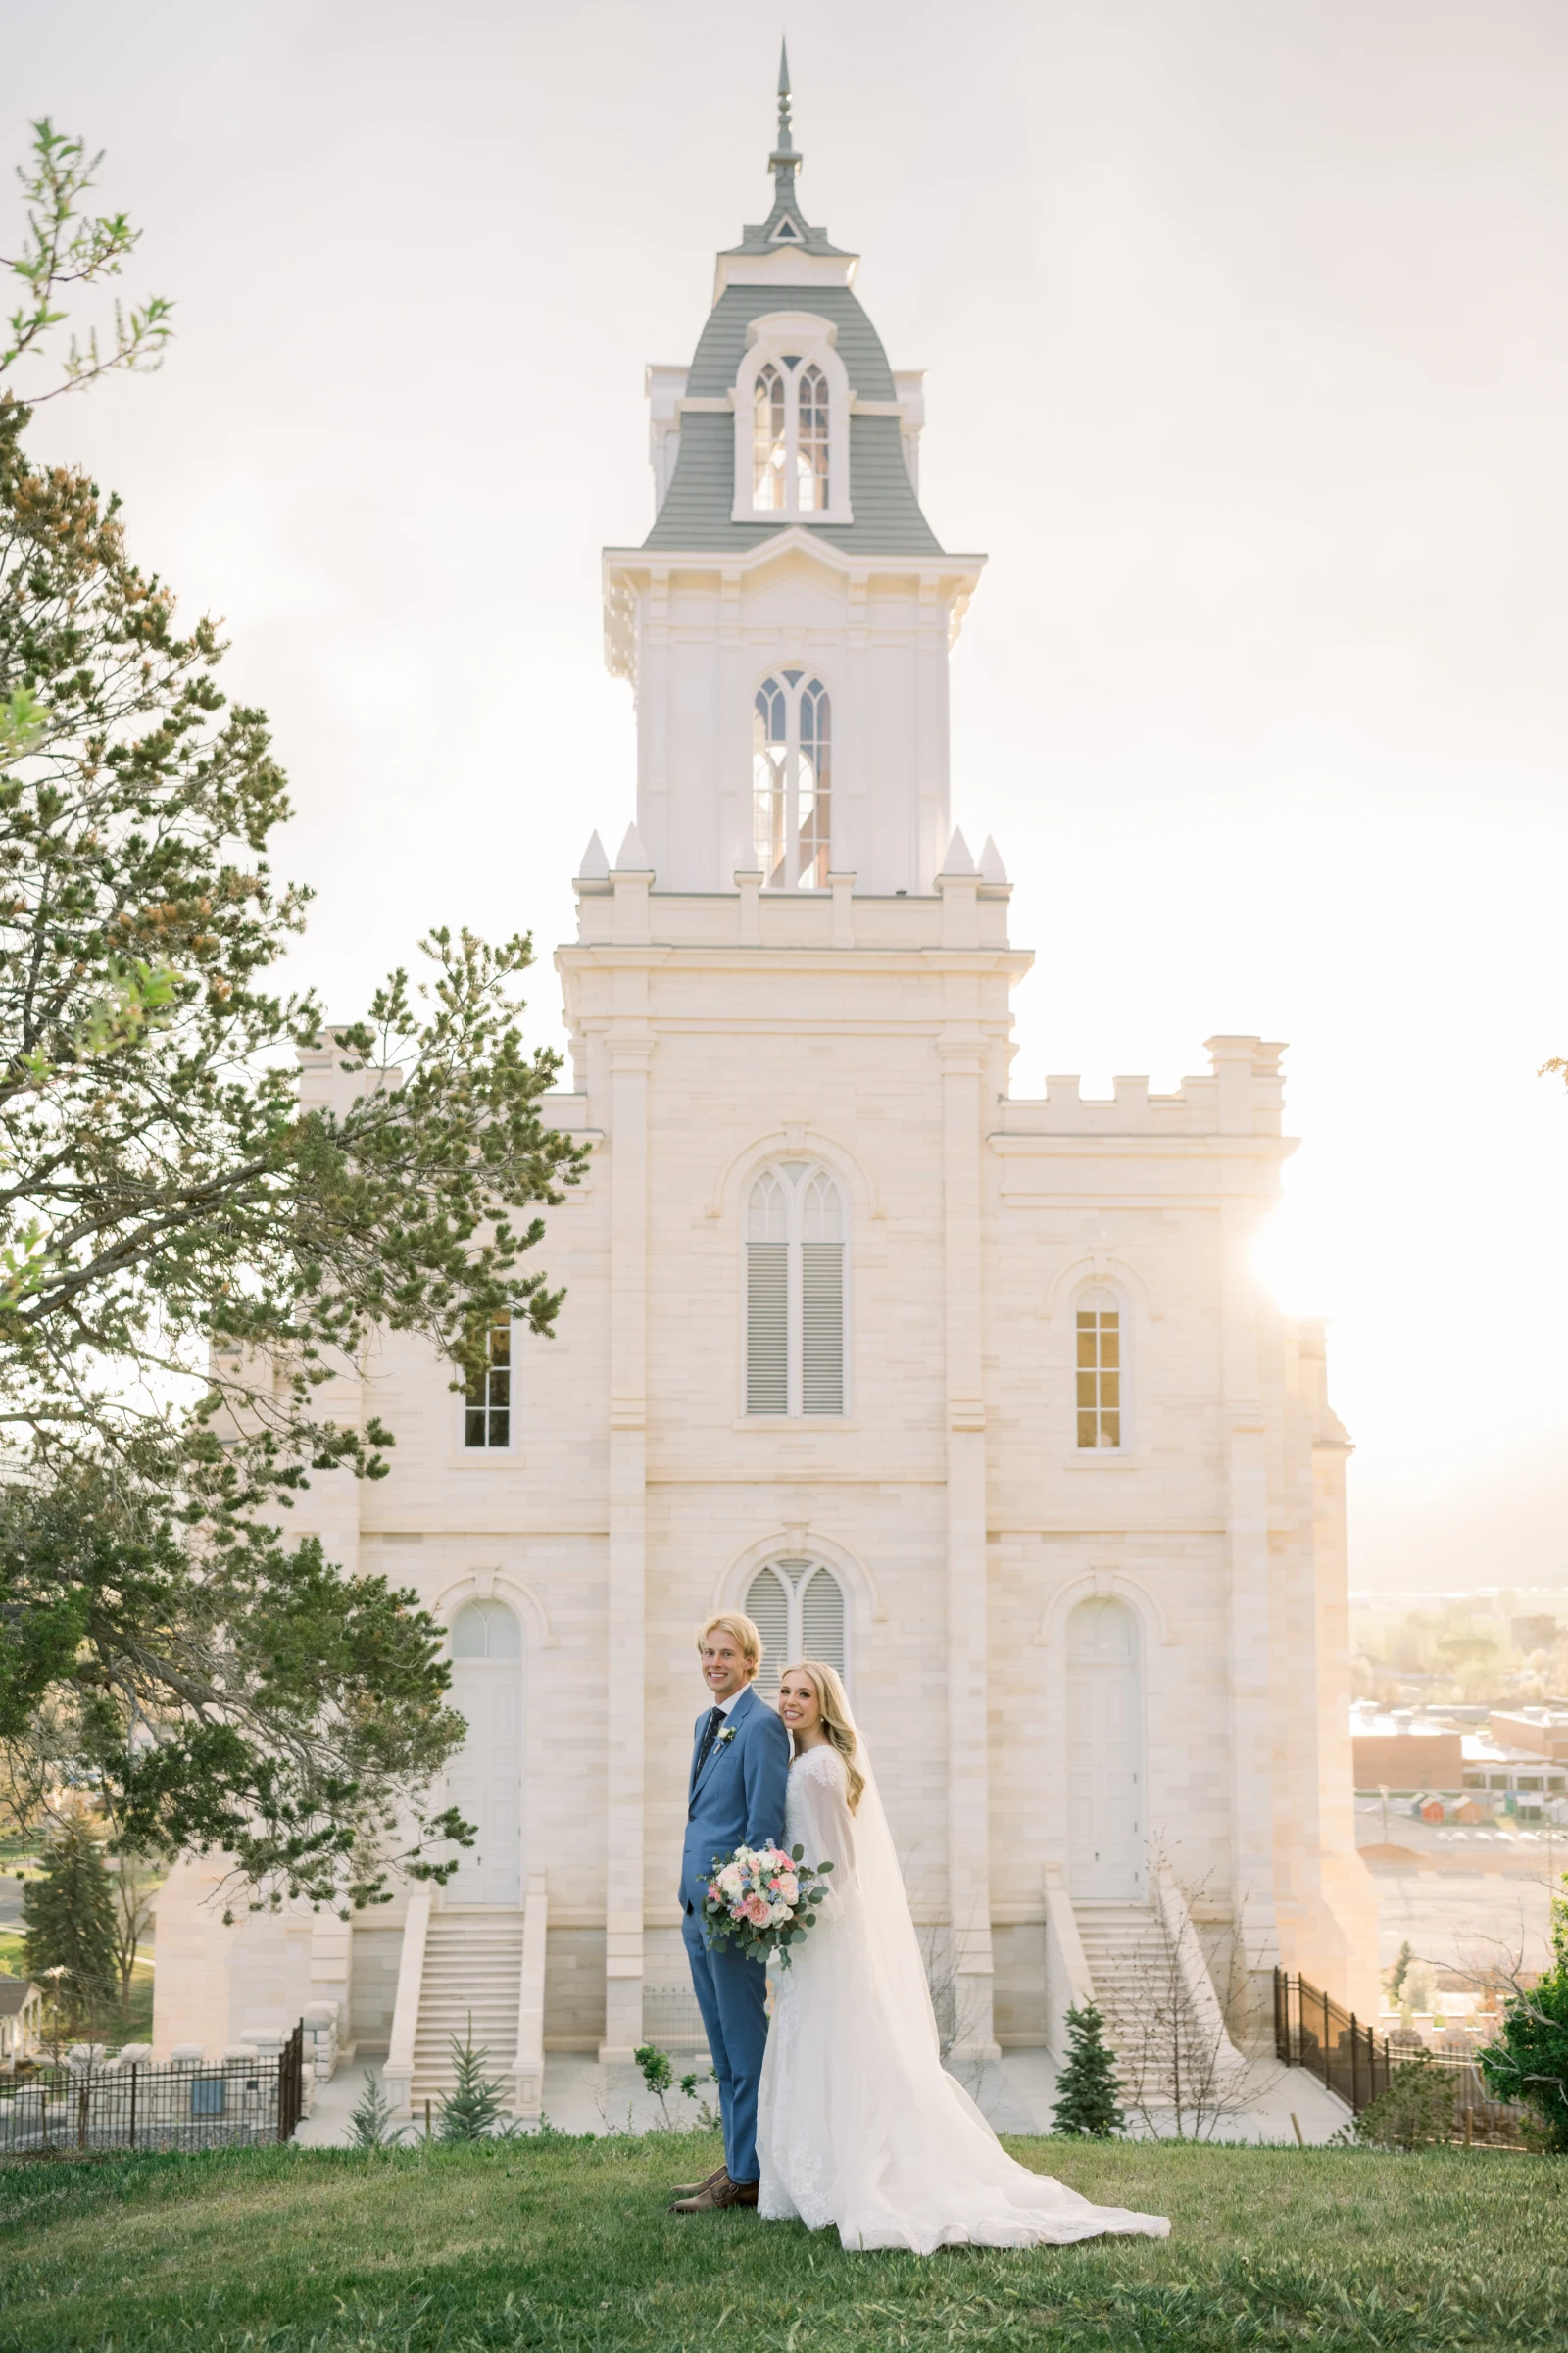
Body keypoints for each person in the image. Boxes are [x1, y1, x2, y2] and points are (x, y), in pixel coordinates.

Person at [756, 1659, 1170, 2253]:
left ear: (825, 1705)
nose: (790, 1702)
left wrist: (799, 1910)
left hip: (827, 1928)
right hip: (812, 1927)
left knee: (836, 2040)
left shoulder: (820, 1768)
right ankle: (812, 2175)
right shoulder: (802, 1762)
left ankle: (837, 2174)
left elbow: (841, 1866)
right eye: (785, 1691)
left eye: (804, 1694)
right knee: (819, 2038)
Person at [669, 1611, 790, 2214]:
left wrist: (743, 1903)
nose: (714, 1663)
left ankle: (749, 2174)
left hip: (732, 1910)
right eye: (707, 1653)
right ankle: (738, 2161)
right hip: (696, 1905)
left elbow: (764, 1826)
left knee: (745, 2047)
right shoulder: (706, 1722)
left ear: (749, 1662)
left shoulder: (762, 1725)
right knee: (721, 2047)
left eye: (726, 1654)